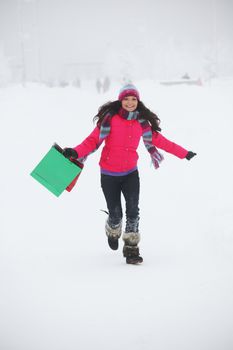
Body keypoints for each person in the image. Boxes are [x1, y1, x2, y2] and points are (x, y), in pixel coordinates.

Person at [63, 84, 196, 264]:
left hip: (130, 174)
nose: (130, 102)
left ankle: (131, 249)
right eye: (126, 99)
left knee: (133, 211)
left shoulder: (142, 123)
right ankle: (112, 229)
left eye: (133, 99)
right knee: (116, 213)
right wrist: (75, 152)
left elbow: (161, 141)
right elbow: (93, 140)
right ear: (120, 100)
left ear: (138, 101)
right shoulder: (109, 120)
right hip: (109, 174)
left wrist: (184, 153)